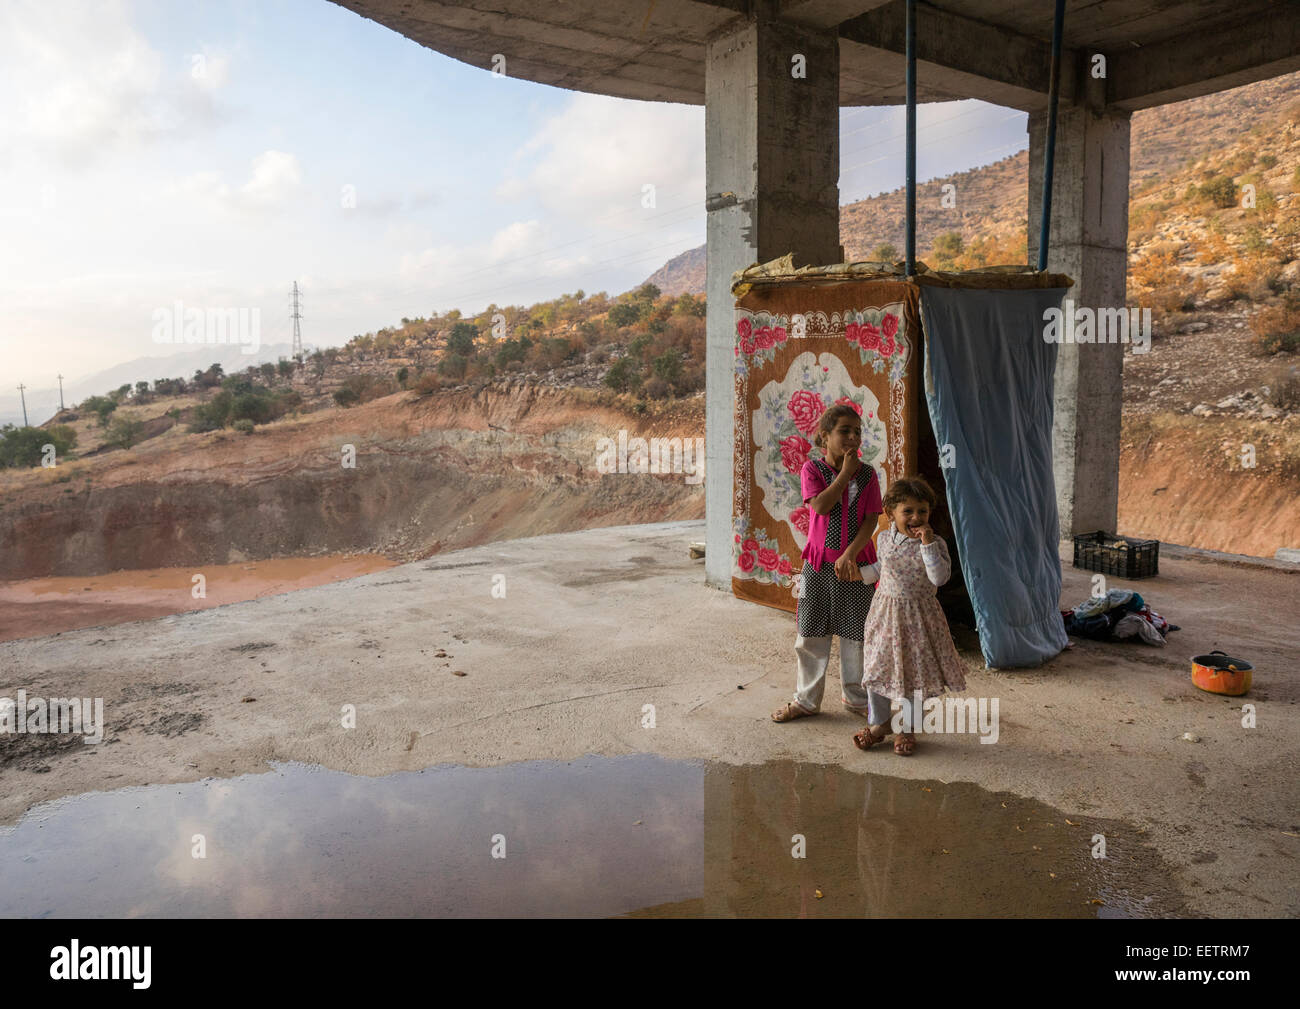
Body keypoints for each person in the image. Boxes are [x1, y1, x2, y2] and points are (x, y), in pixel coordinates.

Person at [771, 404, 893, 732]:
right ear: (825, 436)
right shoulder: (812, 470)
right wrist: (844, 473)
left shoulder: (868, 475)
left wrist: (850, 555)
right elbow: (822, 506)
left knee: (857, 635)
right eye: (844, 431)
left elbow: (870, 520)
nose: (852, 437)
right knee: (811, 633)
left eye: (857, 432)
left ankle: (856, 698)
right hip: (817, 565)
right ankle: (806, 701)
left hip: (856, 566)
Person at [856, 475, 967, 756]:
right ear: (891, 512)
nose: (916, 517)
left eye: (923, 511)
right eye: (908, 511)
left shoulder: (936, 544)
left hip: (918, 617)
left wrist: (928, 544)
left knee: (912, 675)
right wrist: (857, 575)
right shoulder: (883, 538)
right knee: (877, 670)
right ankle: (879, 723)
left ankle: (907, 728)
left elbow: (939, 578)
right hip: (885, 615)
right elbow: (881, 569)